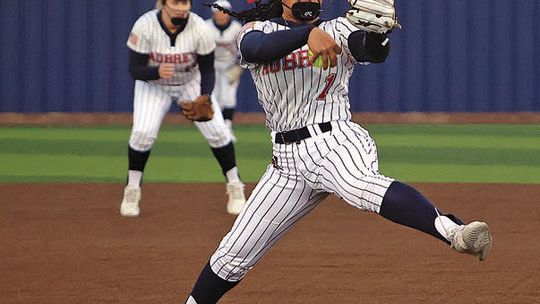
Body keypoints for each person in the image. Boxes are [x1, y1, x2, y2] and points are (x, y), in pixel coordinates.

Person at [183, 0, 493, 303]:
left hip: (334, 140)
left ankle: (456, 233)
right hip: (286, 163)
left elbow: (370, 51)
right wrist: (306, 34)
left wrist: (377, 33)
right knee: (231, 257)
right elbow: (257, 50)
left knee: (359, 185)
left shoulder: (340, 28)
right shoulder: (255, 29)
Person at [120, 0, 246, 217]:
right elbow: (134, 69)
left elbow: (207, 70)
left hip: (190, 81)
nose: (181, 7)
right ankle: (132, 190)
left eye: (185, 2)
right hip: (154, 85)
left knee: (218, 132)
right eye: (175, 2)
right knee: (142, 134)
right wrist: (156, 72)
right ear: (163, 4)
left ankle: (235, 186)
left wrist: (205, 97)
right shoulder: (145, 25)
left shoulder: (200, 28)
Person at [205, 0, 244, 142]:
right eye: (218, 12)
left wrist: (239, 66)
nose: (221, 15)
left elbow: (242, 50)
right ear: (213, 14)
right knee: (214, 98)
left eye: (224, 12)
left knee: (229, 97)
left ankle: (227, 128)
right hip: (212, 67)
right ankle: (217, 128)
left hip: (230, 66)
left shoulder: (236, 27)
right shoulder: (206, 26)